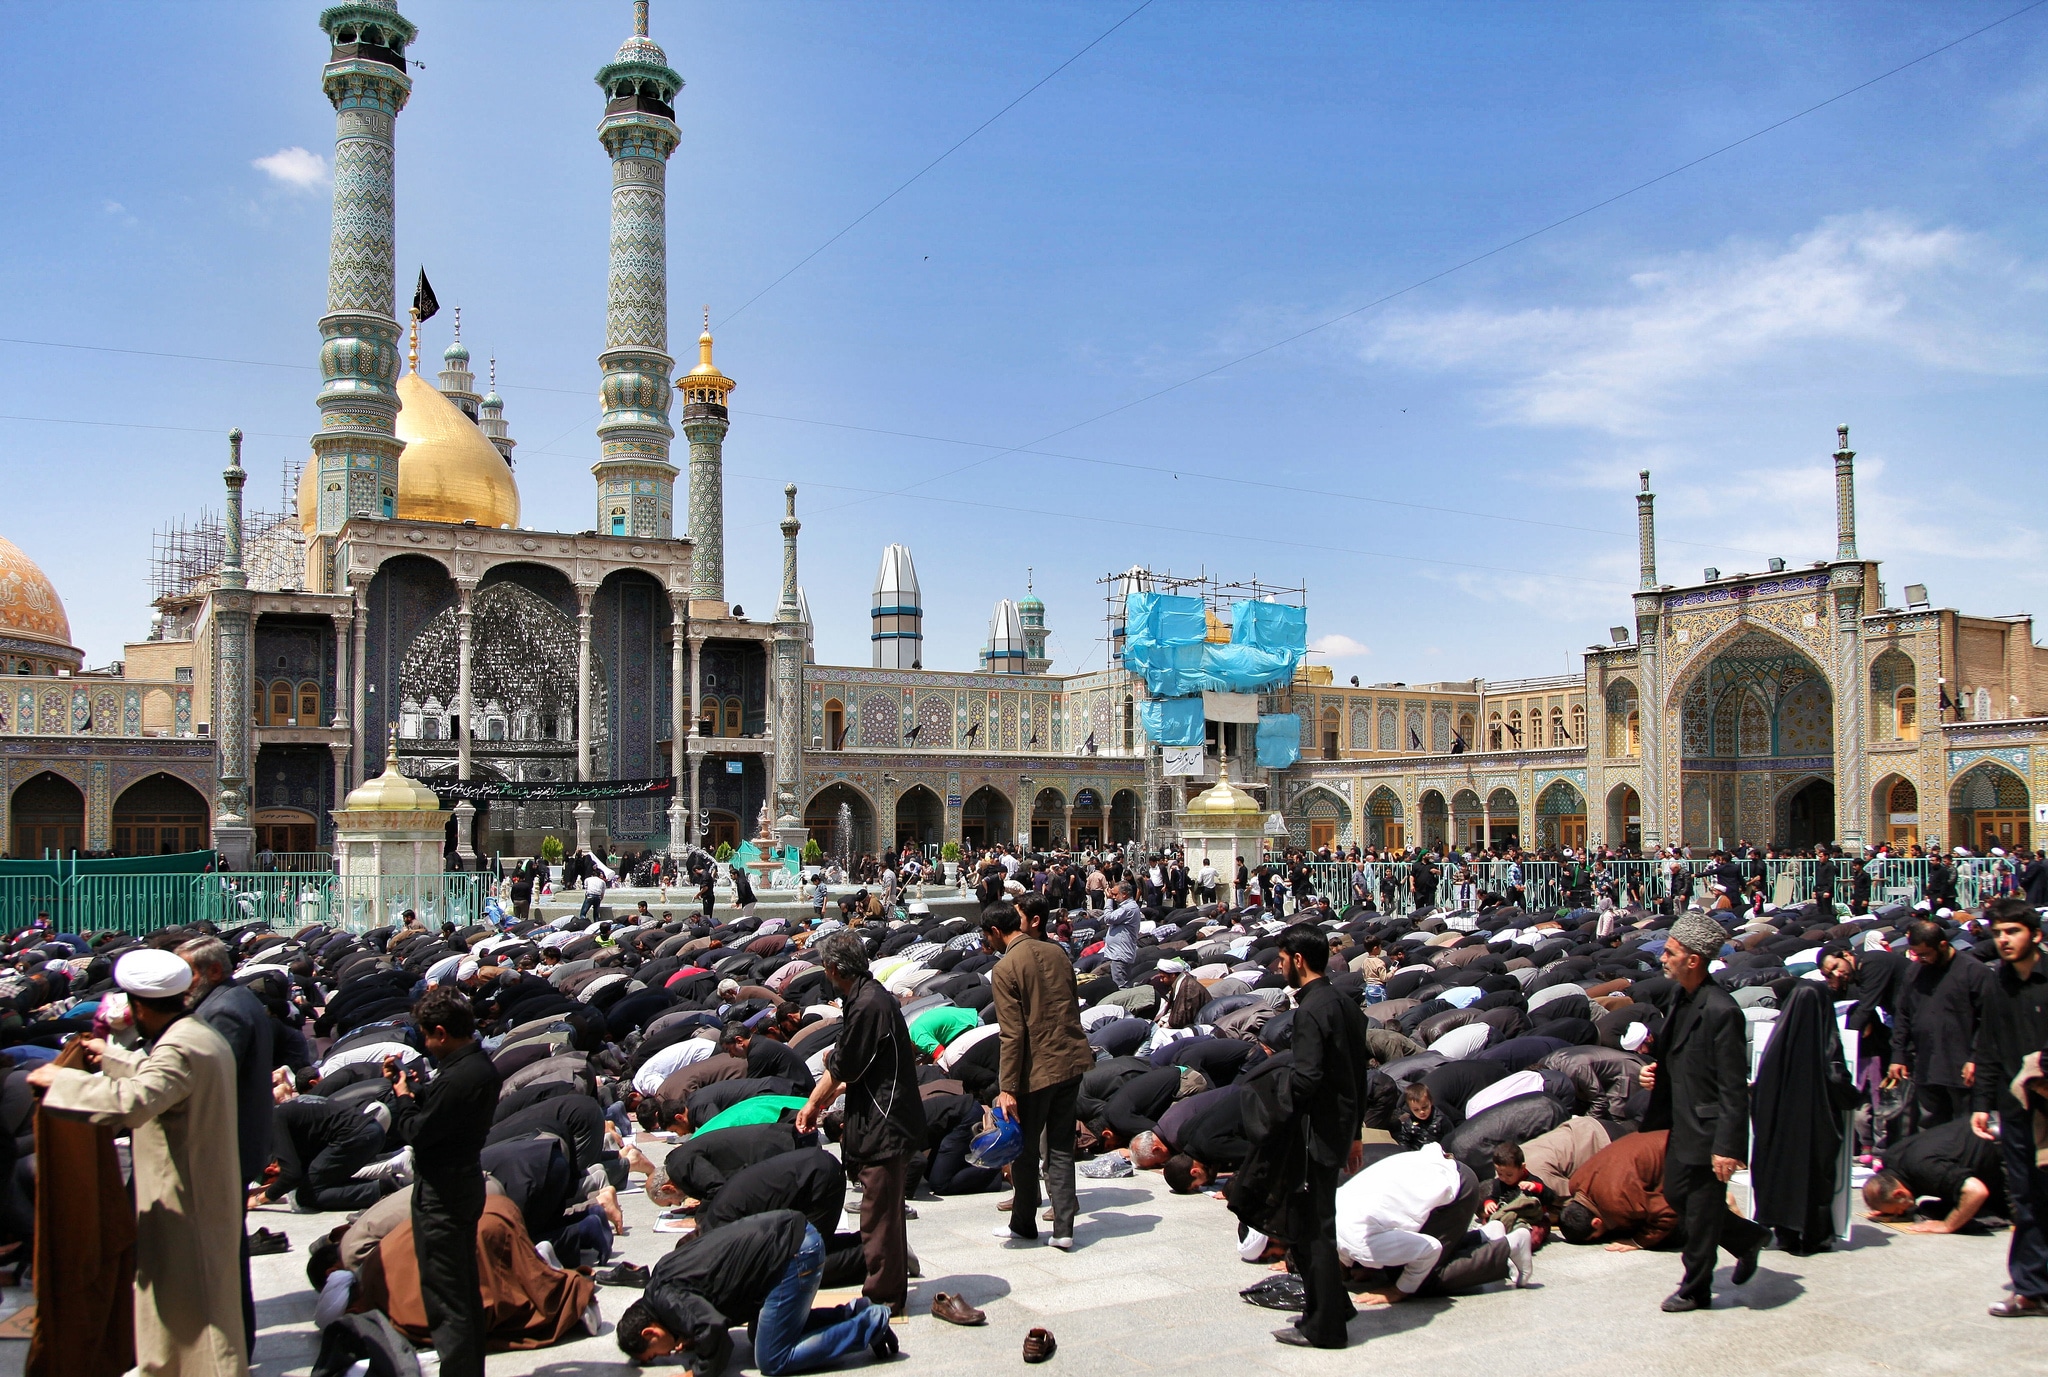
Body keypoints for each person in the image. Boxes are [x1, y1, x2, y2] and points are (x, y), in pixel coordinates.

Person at [29, 948, 248, 1376]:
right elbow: (156, 1074)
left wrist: (63, 1082)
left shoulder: (180, 1047)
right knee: (179, 1313)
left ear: (139, 1006)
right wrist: (109, 1056)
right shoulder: (195, 1033)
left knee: (199, 1319)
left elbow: (137, 1100)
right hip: (197, 1199)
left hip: (189, 1206)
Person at [1639, 912, 1766, 1312]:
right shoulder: (1681, 996)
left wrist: (1728, 1146)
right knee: (1679, 1196)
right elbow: (1679, 1056)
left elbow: (1732, 1085)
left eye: (1672, 952)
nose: (1664, 957)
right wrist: (1655, 1074)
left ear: (1693, 960)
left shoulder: (1721, 1010)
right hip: (1682, 1121)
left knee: (1700, 1214)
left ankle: (1695, 1287)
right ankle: (1746, 1238)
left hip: (1710, 1130)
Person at [794, 931, 925, 1316]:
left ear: (834, 969)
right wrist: (830, 1093)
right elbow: (863, 1063)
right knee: (885, 1210)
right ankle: (891, 1283)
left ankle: (883, 1299)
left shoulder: (867, 1004)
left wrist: (813, 1104)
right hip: (888, 1113)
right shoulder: (869, 995)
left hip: (884, 1121)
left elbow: (845, 1063)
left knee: (878, 1215)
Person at [616, 1209, 895, 1373]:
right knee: (760, 1335)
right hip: (789, 1237)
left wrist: (697, 1373)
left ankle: (870, 1325)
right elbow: (704, 1302)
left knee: (772, 1358)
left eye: (654, 1355)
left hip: (794, 1253)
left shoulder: (667, 1299)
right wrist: (690, 1332)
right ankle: (853, 1313)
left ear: (650, 1332)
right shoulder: (661, 1282)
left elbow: (713, 1328)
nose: (666, 1356)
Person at [385, 986, 502, 1377]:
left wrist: (402, 1096)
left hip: (443, 1193)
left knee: (447, 1295)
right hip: (462, 1183)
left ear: (440, 1032)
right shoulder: (476, 1066)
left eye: (427, 1036)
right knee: (461, 1288)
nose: (427, 1044)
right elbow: (443, 1116)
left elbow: (417, 1132)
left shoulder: (459, 1077)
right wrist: (417, 1090)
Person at [1272, 927, 1371, 1350]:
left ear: (1298, 959)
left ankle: (1324, 1327)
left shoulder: (1311, 1011)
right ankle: (1333, 1305)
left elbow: (1308, 1077)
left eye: (1281, 959)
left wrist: (1273, 1109)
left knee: (1314, 1228)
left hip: (1315, 1132)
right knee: (1319, 1222)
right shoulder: (1343, 1003)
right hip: (1337, 1130)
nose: (1278, 966)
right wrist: (1356, 1134)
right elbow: (1357, 1074)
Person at [178, 934, 274, 1356]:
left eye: (189, 973)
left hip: (225, 1146)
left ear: (213, 970)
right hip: (236, 1143)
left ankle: (228, 1345)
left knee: (220, 1252)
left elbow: (209, 1082)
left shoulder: (225, 1012)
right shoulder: (230, 1001)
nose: (183, 985)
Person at [984, 902, 1093, 1250]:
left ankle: (1023, 1224)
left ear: (996, 933)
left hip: (1036, 1069)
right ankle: (1063, 1229)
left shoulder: (1005, 968)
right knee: (1060, 1146)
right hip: (1071, 1059)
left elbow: (1011, 1034)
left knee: (1025, 1148)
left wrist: (1007, 1088)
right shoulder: (1058, 952)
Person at [1967, 895, 2048, 1317]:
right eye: (1997, 933)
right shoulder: (1996, 983)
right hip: (2017, 1111)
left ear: (2034, 934)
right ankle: (2031, 1288)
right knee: (2026, 1196)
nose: (2004, 940)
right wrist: (1982, 1101)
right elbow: (1989, 1047)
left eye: (2013, 931)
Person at [1750, 982, 1859, 1255]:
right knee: (1812, 1177)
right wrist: (1857, 1097)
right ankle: (1814, 1236)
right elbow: (1837, 1080)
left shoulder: (1776, 1044)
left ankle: (1784, 1232)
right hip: (1814, 1125)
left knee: (1781, 1173)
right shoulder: (1825, 1041)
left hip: (1778, 1127)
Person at [1891, 919, 1993, 1130]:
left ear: (1943, 946)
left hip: (1963, 1067)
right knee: (1930, 1129)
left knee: (1964, 1129)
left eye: (1925, 954)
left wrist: (1976, 1058)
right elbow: (1903, 1014)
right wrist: (1898, 1055)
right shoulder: (1914, 972)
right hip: (1926, 1065)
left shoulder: (1974, 972)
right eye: (1915, 955)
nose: (1920, 959)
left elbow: (1988, 1022)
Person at [1863, 1118, 2006, 1233]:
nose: (1899, 1213)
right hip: (1984, 1135)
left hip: (2005, 1159)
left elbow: (1976, 1191)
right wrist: (1886, 1208)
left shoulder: (1926, 1168)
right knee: (1930, 1210)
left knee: (1969, 1217)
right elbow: (1880, 1187)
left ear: (1898, 1194)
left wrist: (1947, 1225)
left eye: (1897, 1210)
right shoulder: (1891, 1158)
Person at [1102, 882, 1142, 988]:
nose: (1114, 897)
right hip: (1119, 954)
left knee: (1121, 986)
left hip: (1120, 955)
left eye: (1115, 894)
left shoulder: (1128, 908)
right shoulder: (1127, 907)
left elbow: (1108, 918)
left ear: (1124, 894)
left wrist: (1109, 900)